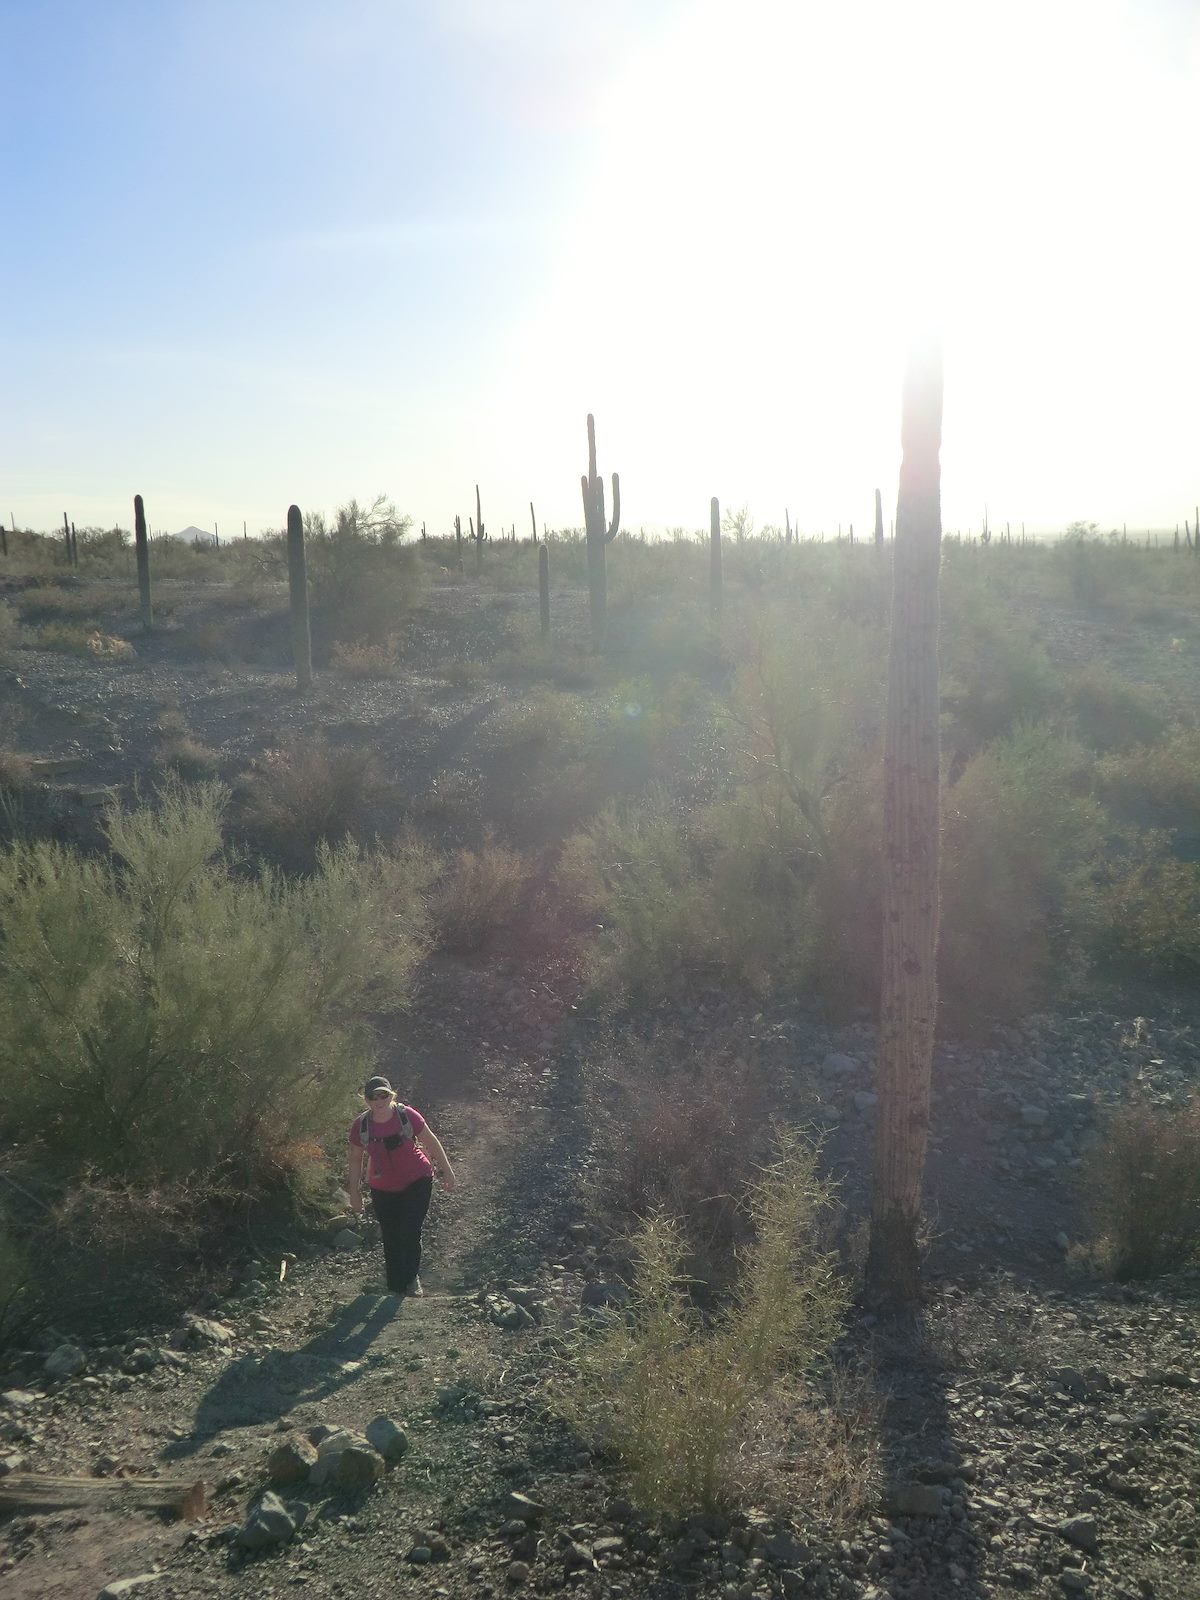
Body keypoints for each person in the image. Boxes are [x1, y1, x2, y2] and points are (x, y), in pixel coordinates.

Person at [348, 1075, 456, 1297]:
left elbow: (431, 1141)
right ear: (366, 1100)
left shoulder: (406, 1115)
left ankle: (411, 1279)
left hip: (417, 1179)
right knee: (390, 1234)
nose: (379, 1100)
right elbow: (355, 1159)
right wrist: (354, 1192)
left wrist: (447, 1169)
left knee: (410, 1229)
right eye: (373, 1097)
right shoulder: (361, 1126)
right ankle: (395, 1286)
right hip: (382, 1187)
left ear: (391, 1095)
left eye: (383, 1095)